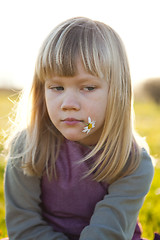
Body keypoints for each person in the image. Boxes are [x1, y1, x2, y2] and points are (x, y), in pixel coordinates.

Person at [4, 17, 157, 240]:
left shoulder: (133, 161)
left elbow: (107, 233)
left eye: (87, 87)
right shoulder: (27, 146)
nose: (68, 103)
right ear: (41, 90)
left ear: (116, 93)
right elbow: (24, 227)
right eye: (57, 87)